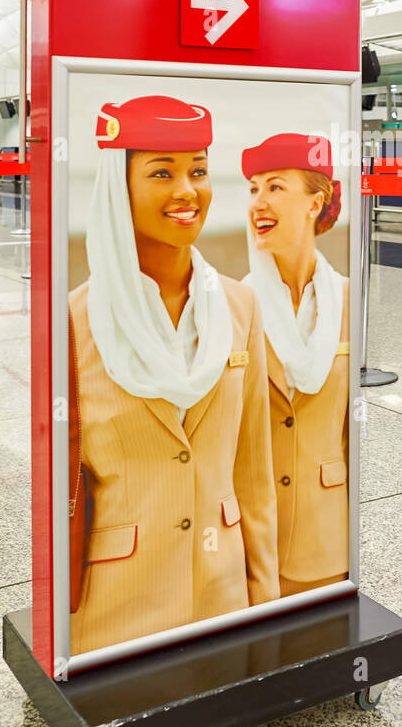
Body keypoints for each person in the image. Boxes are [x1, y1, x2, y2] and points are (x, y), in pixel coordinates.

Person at [68, 95, 279, 656]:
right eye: (162, 172)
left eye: (199, 171)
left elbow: (254, 474)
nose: (187, 191)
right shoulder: (72, 322)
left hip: (223, 593)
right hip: (115, 607)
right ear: (119, 186)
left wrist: (269, 604)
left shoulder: (239, 308)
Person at [241, 133, 349, 598]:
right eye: (253, 189)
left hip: (325, 530)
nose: (258, 202)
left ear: (314, 203)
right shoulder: (233, 304)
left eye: (276, 187)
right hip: (248, 537)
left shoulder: (348, 299)